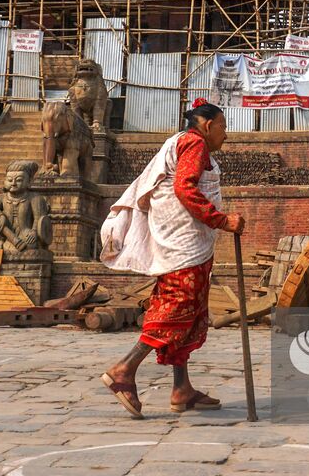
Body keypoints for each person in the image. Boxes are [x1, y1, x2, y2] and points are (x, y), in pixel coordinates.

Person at [99, 98, 246, 418]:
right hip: (182, 246)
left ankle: (182, 389)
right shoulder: (194, 144)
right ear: (207, 126)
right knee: (176, 307)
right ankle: (125, 369)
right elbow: (185, 189)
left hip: (181, 243)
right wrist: (221, 220)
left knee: (188, 312)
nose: (226, 134)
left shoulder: (183, 143)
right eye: (223, 126)